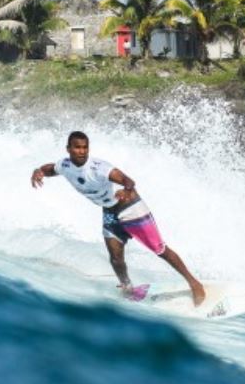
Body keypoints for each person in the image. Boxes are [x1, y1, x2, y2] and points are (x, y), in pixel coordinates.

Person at [30, 131, 206, 306]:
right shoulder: (65, 165)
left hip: (131, 208)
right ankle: (127, 289)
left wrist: (126, 190)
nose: (82, 151)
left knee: (159, 249)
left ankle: (194, 284)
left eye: (85, 147)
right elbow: (50, 169)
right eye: (77, 147)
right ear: (68, 149)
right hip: (109, 212)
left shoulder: (98, 167)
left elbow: (127, 180)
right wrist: (38, 171)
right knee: (116, 257)